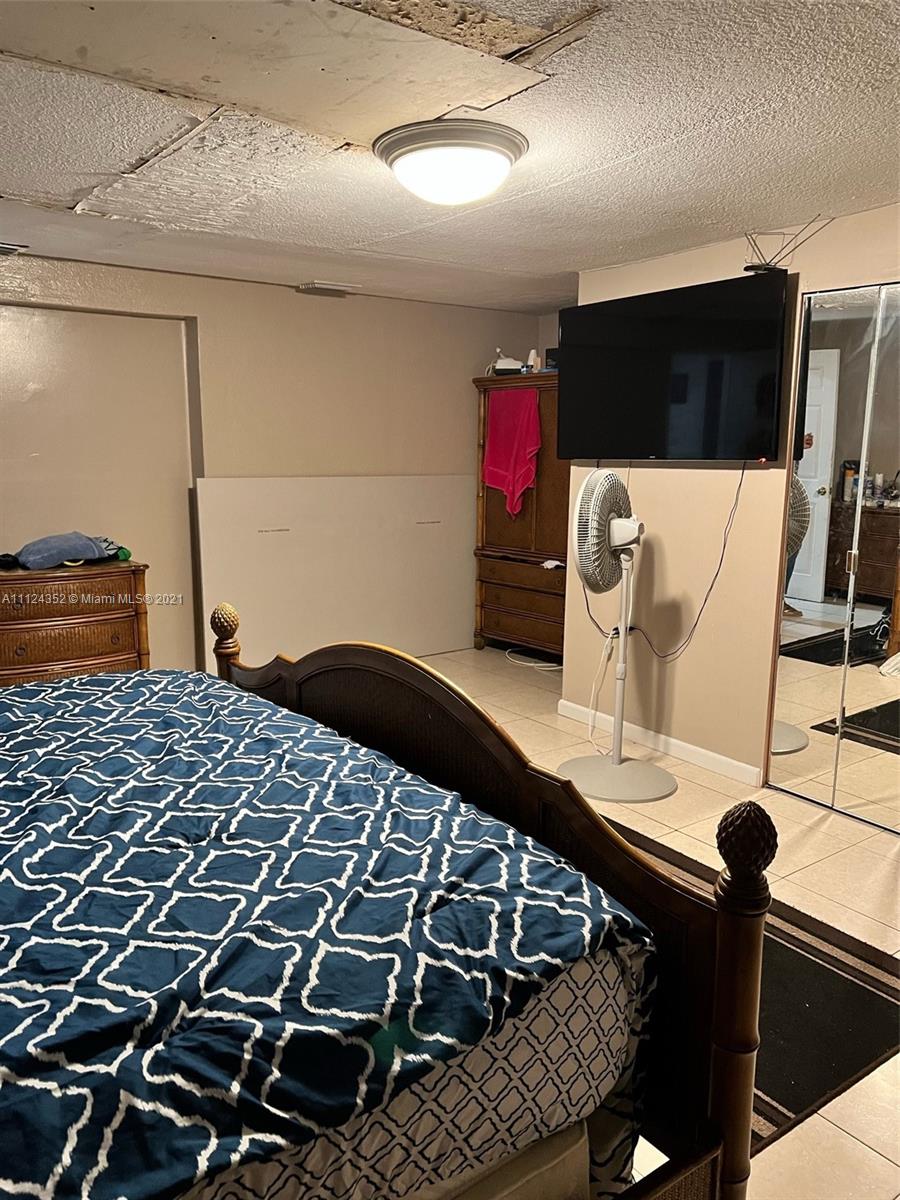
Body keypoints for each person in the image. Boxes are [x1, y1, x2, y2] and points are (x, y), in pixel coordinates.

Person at [783, 431, 814, 618]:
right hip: (779, 495)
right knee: (783, 550)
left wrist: (798, 446)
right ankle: (775, 598)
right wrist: (795, 444)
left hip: (792, 498)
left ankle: (780, 598)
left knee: (793, 547)